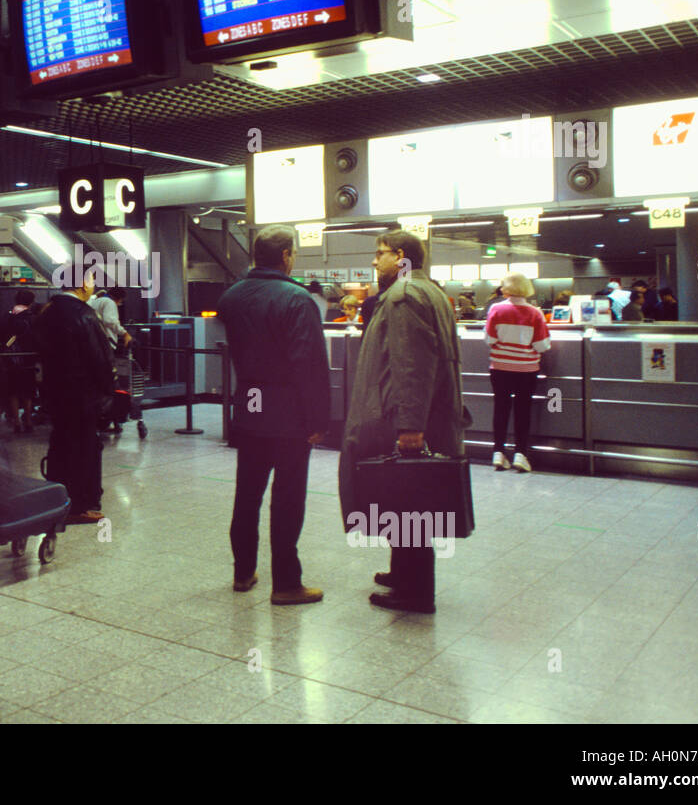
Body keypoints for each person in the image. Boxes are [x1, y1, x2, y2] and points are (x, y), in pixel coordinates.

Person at [339, 230, 466, 614]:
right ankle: (403, 572)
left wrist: (410, 425)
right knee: (409, 495)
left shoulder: (404, 296)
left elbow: (411, 365)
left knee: (411, 499)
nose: (375, 262)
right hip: (432, 413)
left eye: (380, 254)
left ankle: (414, 591)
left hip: (410, 417)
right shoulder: (430, 291)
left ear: (402, 256)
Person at [216, 224, 330, 605]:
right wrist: (317, 419)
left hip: (249, 404)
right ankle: (285, 583)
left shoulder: (232, 297)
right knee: (287, 497)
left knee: (247, 493)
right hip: (288, 414)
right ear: (285, 256)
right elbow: (309, 365)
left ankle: (243, 572)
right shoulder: (297, 300)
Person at [34, 263, 115, 524]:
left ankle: (56, 498)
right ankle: (81, 505)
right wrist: (107, 391)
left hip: (55, 393)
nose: (92, 283)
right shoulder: (85, 314)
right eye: (91, 278)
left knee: (60, 445)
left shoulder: (48, 311)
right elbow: (99, 359)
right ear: (81, 283)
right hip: (83, 396)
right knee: (85, 448)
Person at [484, 272, 550, 473]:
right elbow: (542, 345)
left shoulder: (495, 309)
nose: (501, 288)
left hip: (500, 367)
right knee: (523, 411)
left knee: (501, 409)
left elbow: (489, 339)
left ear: (509, 288)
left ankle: (498, 453)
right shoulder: (535, 313)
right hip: (526, 369)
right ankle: (521, 454)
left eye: (503, 285)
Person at [89, 286, 132, 433]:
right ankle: (110, 418)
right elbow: (109, 320)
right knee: (109, 384)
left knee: (95, 386)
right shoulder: (109, 303)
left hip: (92, 347)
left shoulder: (93, 301)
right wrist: (124, 333)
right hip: (106, 346)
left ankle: (97, 419)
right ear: (119, 299)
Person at [0, 289, 39, 434]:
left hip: (11, 358)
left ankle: (16, 421)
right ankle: (28, 421)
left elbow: (2, 337)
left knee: (13, 391)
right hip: (28, 359)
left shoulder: (7, 317)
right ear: (31, 302)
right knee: (28, 391)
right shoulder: (33, 318)